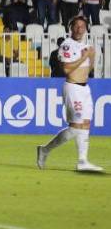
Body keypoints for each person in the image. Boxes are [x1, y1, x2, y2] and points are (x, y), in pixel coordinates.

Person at [37, 16, 103, 173]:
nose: (79, 29)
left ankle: (83, 161)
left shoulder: (85, 46)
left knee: (85, 124)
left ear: (86, 29)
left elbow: (89, 70)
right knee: (75, 127)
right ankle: (45, 150)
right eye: (76, 26)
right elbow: (66, 69)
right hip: (73, 88)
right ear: (71, 28)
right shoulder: (67, 45)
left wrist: (91, 57)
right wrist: (84, 56)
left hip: (85, 89)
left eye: (82, 26)